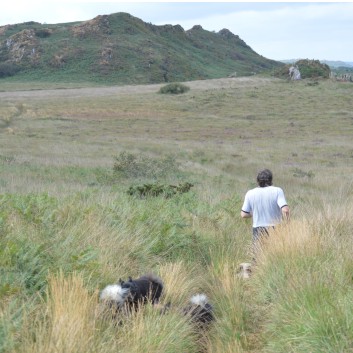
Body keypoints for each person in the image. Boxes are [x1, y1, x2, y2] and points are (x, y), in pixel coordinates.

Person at [241, 169, 290, 252]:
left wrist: (254, 213)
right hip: (275, 227)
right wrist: (287, 223)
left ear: (258, 181)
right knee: (275, 254)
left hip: (258, 228)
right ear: (271, 180)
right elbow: (285, 210)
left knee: (258, 256)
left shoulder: (250, 193)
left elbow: (243, 214)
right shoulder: (277, 191)